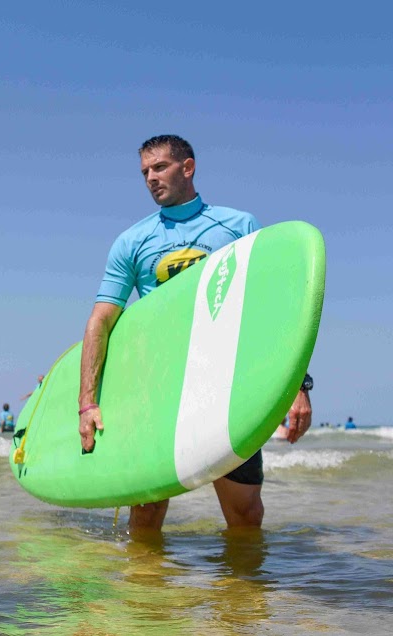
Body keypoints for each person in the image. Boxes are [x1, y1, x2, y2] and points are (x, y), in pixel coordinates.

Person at [78, 134, 313, 531]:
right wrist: (88, 403)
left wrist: (297, 387)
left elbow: (270, 312)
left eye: (159, 168)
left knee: (245, 514)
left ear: (187, 167)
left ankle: (239, 595)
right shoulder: (132, 241)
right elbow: (101, 320)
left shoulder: (240, 226)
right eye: (144, 172)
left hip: (227, 384)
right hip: (158, 388)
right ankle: (145, 593)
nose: (150, 178)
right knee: (147, 512)